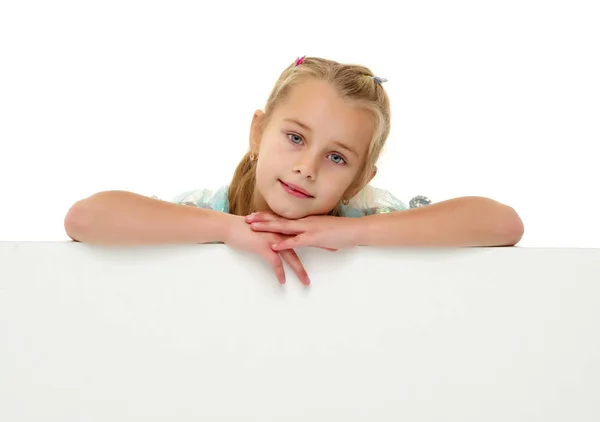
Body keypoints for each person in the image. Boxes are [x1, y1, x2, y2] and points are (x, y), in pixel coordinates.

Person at [64, 56, 524, 286]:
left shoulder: (366, 215)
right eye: (296, 138)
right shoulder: (208, 210)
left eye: (337, 157)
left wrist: (358, 235)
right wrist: (226, 229)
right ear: (258, 133)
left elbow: (503, 224)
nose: (307, 168)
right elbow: (84, 219)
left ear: (361, 179)